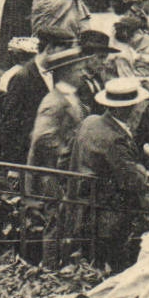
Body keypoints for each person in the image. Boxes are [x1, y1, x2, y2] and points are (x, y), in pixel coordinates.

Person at [26, 45, 97, 266]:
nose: (83, 74)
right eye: (78, 70)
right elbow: (42, 138)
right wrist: (67, 155)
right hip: (54, 175)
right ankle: (50, 269)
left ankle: (61, 265)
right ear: (65, 72)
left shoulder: (70, 97)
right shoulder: (54, 101)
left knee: (66, 222)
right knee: (55, 223)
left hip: (65, 173)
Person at [74, 76, 149, 271]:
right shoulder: (115, 139)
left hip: (83, 205)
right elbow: (132, 179)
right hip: (109, 216)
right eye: (136, 106)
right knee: (118, 264)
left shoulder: (90, 121)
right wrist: (146, 172)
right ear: (126, 109)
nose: (139, 110)